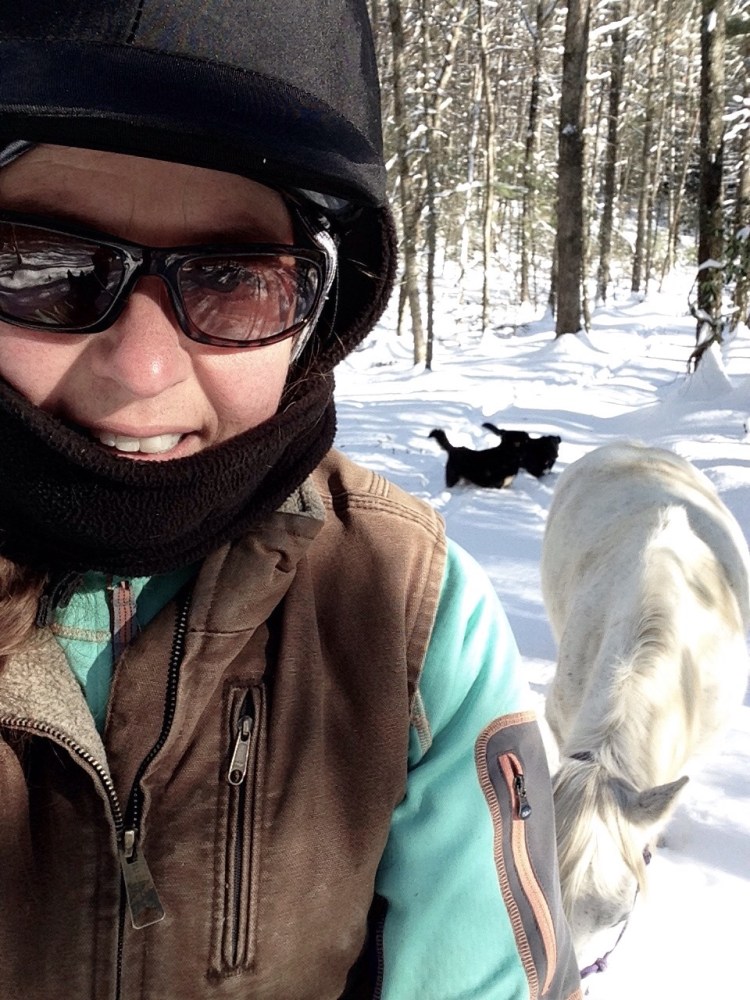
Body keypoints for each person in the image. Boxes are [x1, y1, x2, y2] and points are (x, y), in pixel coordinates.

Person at [0, 3, 581, 998]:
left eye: (235, 282)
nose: (142, 369)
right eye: (46, 266)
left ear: (314, 316)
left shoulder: (409, 618)